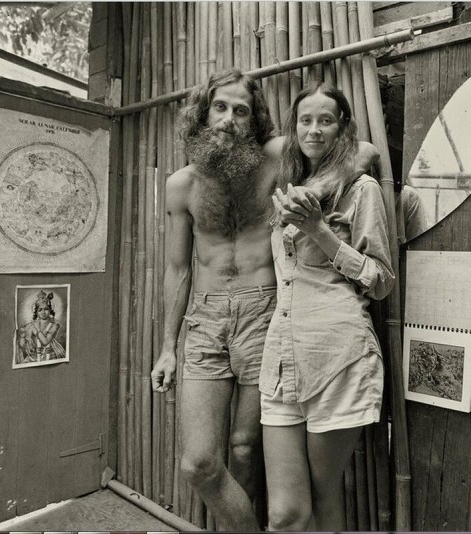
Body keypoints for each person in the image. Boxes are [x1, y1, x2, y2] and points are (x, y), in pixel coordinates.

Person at [149, 69, 378, 531]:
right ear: (202, 112)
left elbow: (365, 152)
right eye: (220, 107)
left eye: (241, 110)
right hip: (205, 320)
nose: (229, 118)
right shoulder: (181, 185)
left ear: (255, 120)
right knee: (199, 464)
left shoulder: (275, 158)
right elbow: (178, 269)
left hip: (266, 313)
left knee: (244, 448)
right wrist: (168, 346)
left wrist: (307, 200)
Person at [262, 82, 394, 531]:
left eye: (326, 120)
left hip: (338, 357)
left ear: (342, 128)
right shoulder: (288, 189)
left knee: (323, 493)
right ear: (294, 127)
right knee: (284, 514)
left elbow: (380, 282)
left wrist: (320, 230)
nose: (314, 130)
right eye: (306, 120)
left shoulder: (363, 190)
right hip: (280, 361)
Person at [16, 290, 65, 363]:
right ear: (36, 312)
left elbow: (45, 342)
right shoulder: (31, 325)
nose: (43, 312)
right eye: (40, 310)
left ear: (50, 310)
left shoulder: (54, 324)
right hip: (35, 355)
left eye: (46, 309)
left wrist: (37, 328)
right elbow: (23, 346)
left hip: (51, 354)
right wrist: (22, 336)